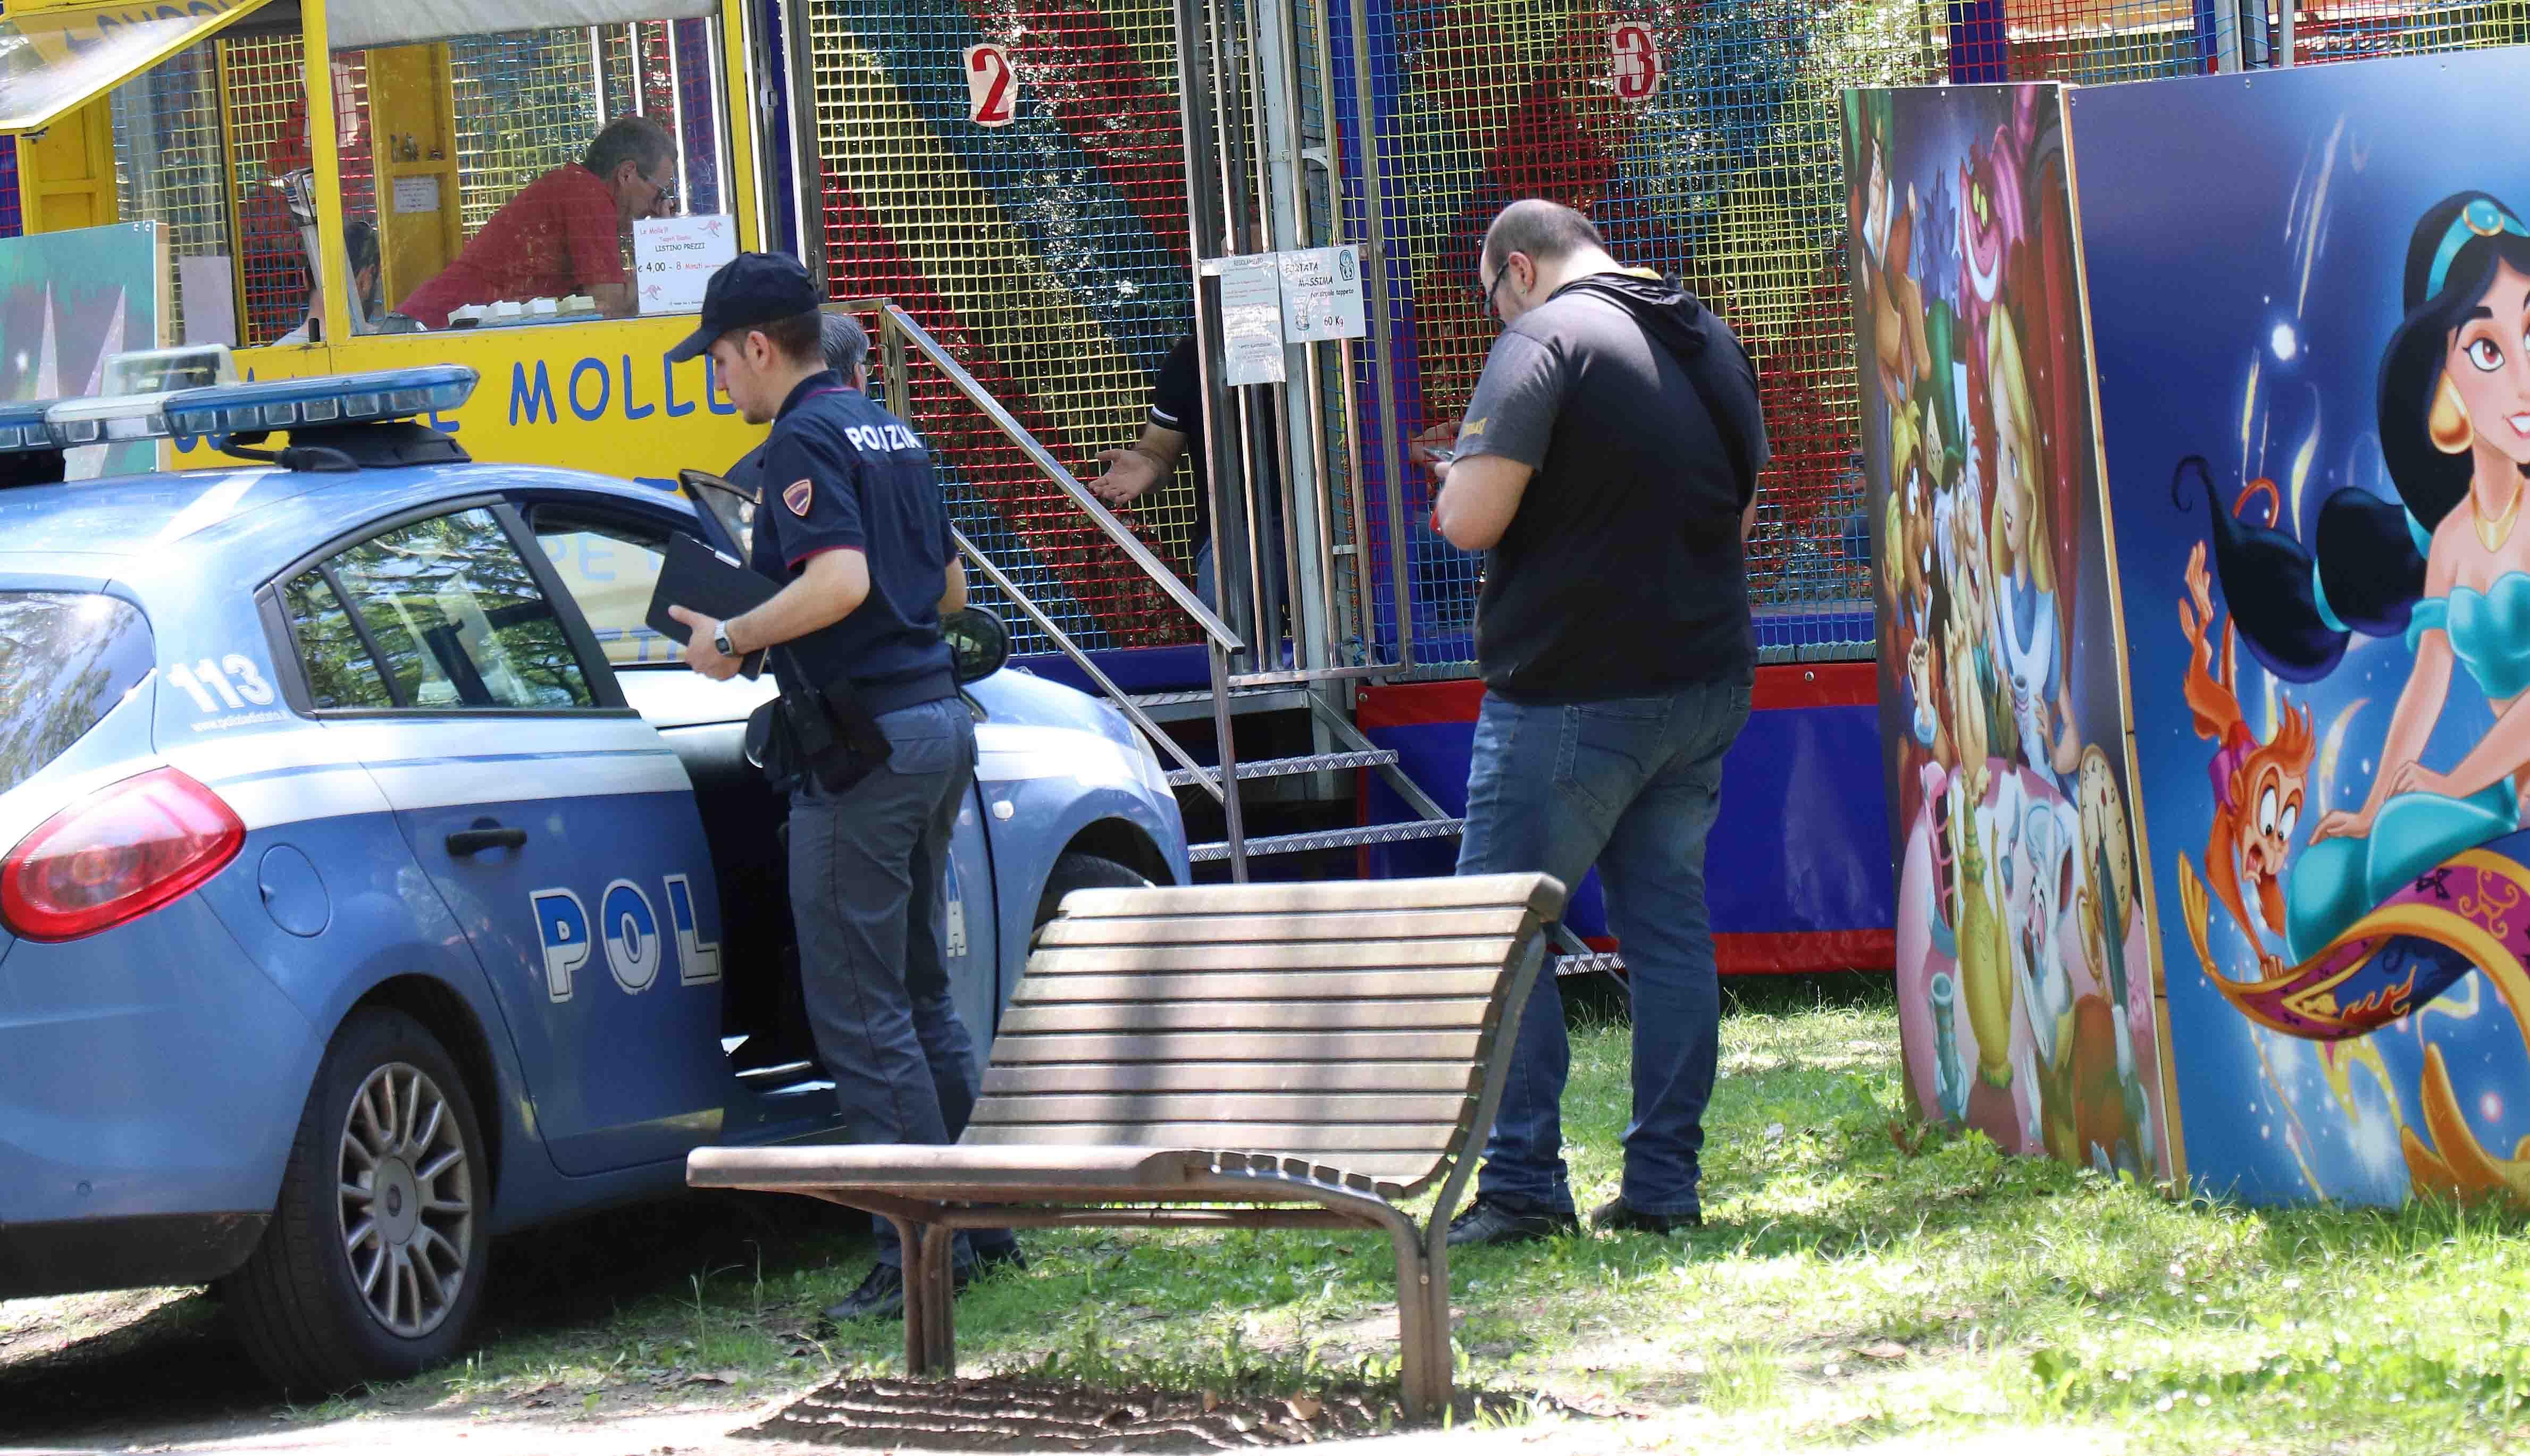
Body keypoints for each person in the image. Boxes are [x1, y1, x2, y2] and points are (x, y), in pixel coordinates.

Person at [661, 253, 1021, 1322]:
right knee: (918, 995)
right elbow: (948, 587)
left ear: (759, 347)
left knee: (862, 1013)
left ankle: (916, 1251)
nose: (721, 380)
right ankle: (982, 1226)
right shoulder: (890, 431)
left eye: (720, 361)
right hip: (934, 726)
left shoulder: (804, 439)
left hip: (862, 752)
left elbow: (842, 580)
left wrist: (732, 631)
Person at [1418, 199, 1767, 1245]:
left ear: (1517, 270)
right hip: (1703, 682)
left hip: (1571, 691)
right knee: (1668, 933)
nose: (1495, 316)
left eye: (1490, 299)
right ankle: (1665, 1187)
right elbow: (1741, 507)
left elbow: (1471, 517)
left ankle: (1523, 1185)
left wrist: (1454, 479)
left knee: (1504, 930)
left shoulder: (1543, 338)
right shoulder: (1706, 335)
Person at [393, 116, 676, 329]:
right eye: (659, 192)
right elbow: (611, 307)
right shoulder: (586, 194)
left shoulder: (578, 190)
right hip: (426, 333)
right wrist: (665, 248)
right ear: (626, 174)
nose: (657, 207)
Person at [1088, 331, 1280, 613]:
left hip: (1335, 518)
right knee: (1227, 601)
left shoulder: (1325, 343)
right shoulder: (1193, 355)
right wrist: (1149, 462)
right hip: (1236, 532)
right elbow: (1159, 447)